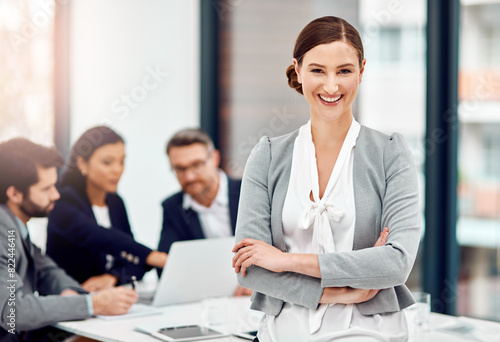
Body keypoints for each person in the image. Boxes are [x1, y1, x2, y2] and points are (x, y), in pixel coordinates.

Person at [232, 16, 421, 341]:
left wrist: (287, 261)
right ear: (299, 69)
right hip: (282, 334)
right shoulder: (267, 156)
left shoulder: (390, 153)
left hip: (370, 334)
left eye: (344, 71)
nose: (331, 86)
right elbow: (251, 268)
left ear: (362, 70)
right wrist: (345, 292)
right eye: (318, 70)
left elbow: (396, 263)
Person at [0, 138, 137, 342]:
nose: (56, 195)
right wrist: (93, 304)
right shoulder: (4, 231)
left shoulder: (15, 226)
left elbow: (46, 271)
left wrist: (72, 293)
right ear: (15, 194)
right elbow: (14, 311)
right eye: (46, 189)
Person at [47, 126, 167, 292]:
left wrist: (113, 277)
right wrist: (151, 255)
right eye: (107, 162)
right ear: (83, 164)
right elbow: (100, 237)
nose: (118, 170)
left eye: (122, 161)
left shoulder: (115, 202)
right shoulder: (62, 201)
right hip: (73, 298)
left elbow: (135, 261)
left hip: (111, 302)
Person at [158, 128, 250, 296]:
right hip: (206, 299)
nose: (189, 177)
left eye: (196, 165)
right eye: (179, 169)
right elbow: (165, 269)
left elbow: (279, 247)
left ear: (214, 158)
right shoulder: (173, 207)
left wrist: (259, 282)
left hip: (251, 297)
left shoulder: (249, 191)